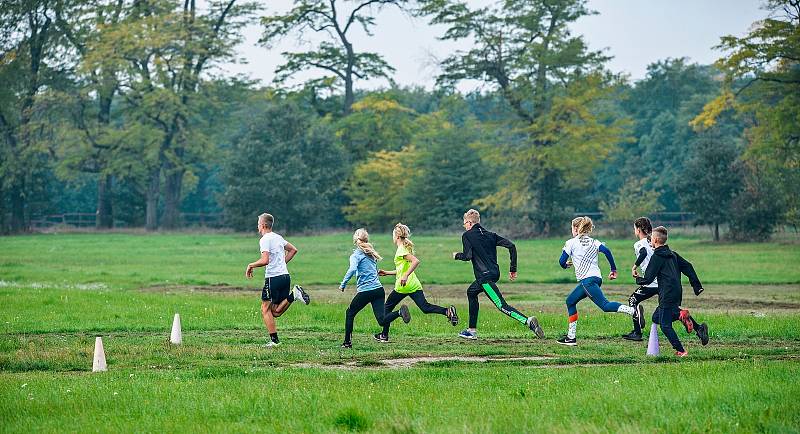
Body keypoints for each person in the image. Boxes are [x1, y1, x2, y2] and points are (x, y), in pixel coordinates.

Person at [453, 209, 544, 340]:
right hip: (494, 274)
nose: (464, 226)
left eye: (464, 224)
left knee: (501, 305)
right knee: (471, 292)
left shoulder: (467, 235)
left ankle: (528, 321)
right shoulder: (490, 234)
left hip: (485, 277)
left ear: (469, 222)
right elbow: (511, 246)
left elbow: (467, 256)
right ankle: (471, 330)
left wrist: (457, 255)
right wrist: (513, 269)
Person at [557, 216, 642, 346]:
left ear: (575, 228)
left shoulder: (571, 242)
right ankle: (571, 337)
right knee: (570, 301)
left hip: (587, 281)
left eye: (572, 228)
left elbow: (561, 261)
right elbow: (607, 251)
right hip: (596, 278)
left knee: (605, 306)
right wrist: (613, 269)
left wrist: (565, 265)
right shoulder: (594, 242)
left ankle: (633, 311)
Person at [376, 223, 458, 342]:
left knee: (387, 309)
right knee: (425, 307)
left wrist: (405, 275)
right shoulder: (405, 248)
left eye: (393, 235)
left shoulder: (401, 250)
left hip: (403, 286)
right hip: (414, 284)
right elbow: (401, 269)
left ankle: (384, 335)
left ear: (397, 237)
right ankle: (447, 311)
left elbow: (415, 261)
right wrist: (387, 273)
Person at [635, 226, 709, 356]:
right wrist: (696, 286)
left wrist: (637, 279)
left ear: (656, 239)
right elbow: (688, 266)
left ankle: (681, 350)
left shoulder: (657, 256)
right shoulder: (673, 254)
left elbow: (648, 278)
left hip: (667, 293)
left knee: (665, 325)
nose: (650, 240)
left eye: (651, 238)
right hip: (676, 291)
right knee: (656, 317)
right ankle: (690, 321)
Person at [245, 213, 310, 347]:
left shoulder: (264, 239)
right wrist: (282, 263)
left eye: (258, 224)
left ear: (263, 225)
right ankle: (294, 295)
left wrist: (251, 265)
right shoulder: (278, 237)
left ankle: (274, 341)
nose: (257, 227)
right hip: (285, 277)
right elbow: (293, 250)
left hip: (273, 278)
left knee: (265, 309)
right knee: (275, 311)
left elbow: (265, 260)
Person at [339, 228, 410, 348]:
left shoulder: (355, 255)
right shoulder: (371, 253)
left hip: (366, 291)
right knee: (382, 320)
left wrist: (343, 283)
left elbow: (352, 269)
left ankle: (347, 343)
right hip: (378, 290)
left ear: (355, 239)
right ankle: (399, 313)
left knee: (350, 313)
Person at [622, 217, 659, 341]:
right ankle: (697, 328)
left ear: (638, 229)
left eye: (634, 228)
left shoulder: (639, 243)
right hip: (661, 281)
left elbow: (643, 253)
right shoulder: (653, 241)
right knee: (672, 308)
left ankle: (637, 333)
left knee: (632, 300)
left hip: (651, 283)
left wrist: (634, 267)